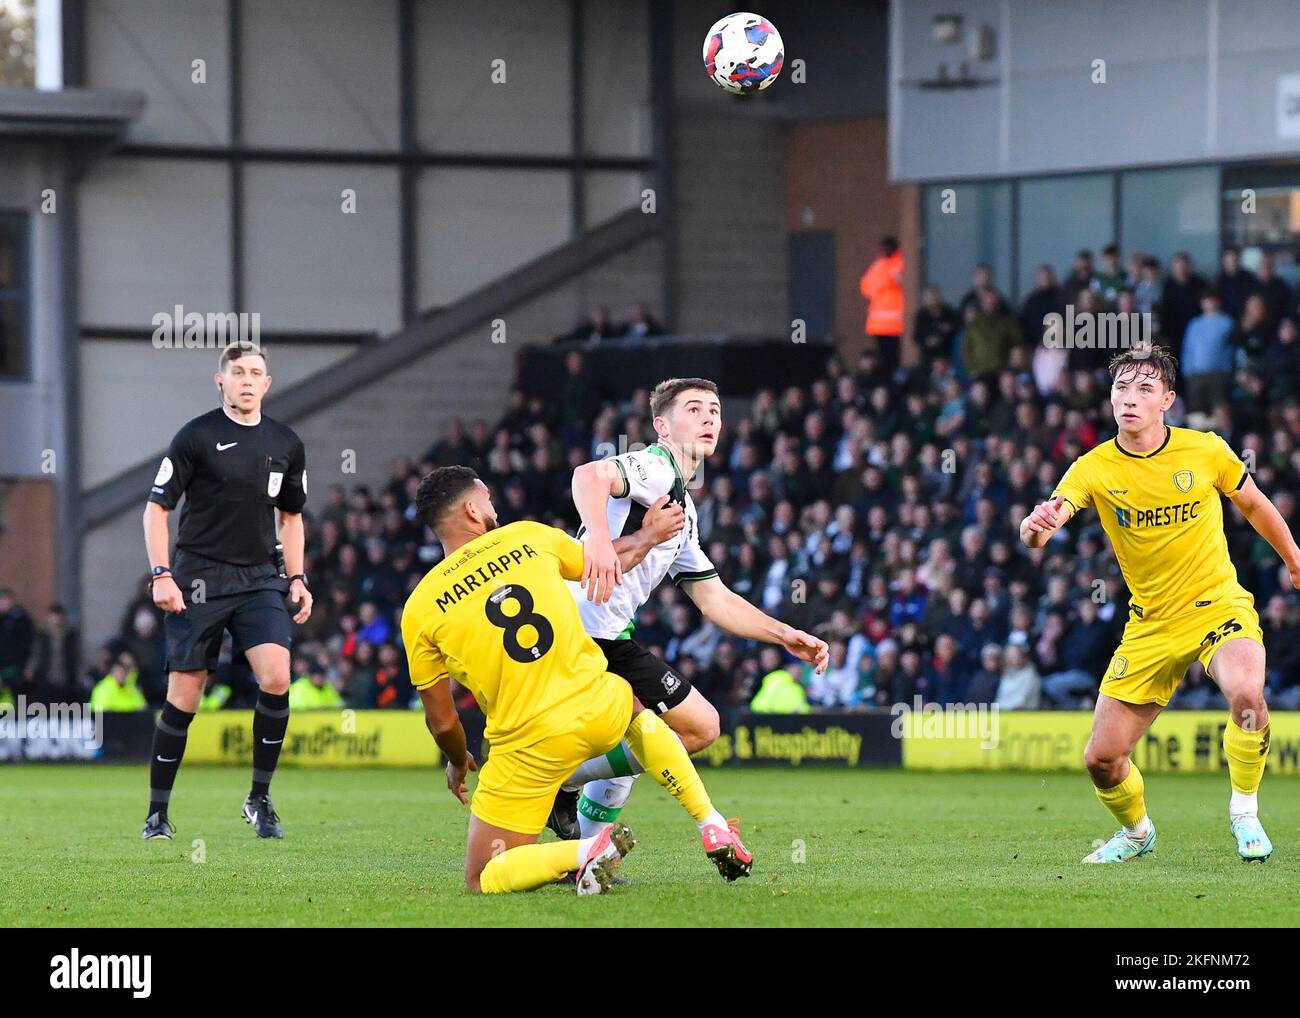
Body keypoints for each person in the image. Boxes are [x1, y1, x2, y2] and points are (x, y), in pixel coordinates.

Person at [401, 466, 752, 894]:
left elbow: (441, 722)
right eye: (488, 499)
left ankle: (584, 851)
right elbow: (605, 563)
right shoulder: (527, 537)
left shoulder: (420, 608)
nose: (494, 507)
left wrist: (458, 761)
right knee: (635, 710)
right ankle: (710, 821)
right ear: (473, 509)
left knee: (483, 875)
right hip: (598, 705)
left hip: (526, 745)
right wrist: (649, 535)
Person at [1020, 343, 1300, 864]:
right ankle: (1137, 833)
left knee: (1246, 694)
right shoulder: (1093, 467)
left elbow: (1256, 506)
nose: (1130, 398)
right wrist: (1033, 530)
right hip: (1150, 624)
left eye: (1144, 388)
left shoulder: (1206, 450)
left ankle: (1244, 812)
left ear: (1167, 399)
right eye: (1122, 387)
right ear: (1110, 398)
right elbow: (1044, 526)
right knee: (1102, 759)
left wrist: (1293, 557)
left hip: (1217, 605)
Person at [550, 377, 829, 842]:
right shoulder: (656, 466)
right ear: (662, 425)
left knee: (632, 741)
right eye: (695, 409)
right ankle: (559, 782)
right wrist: (597, 540)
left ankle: (582, 855)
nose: (709, 419)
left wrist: (785, 635)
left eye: (715, 412)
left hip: (604, 632)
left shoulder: (685, 509)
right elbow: (588, 475)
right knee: (699, 727)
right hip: (585, 630)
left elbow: (714, 598)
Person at [141, 341, 312, 841]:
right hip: (198, 577)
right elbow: (156, 510)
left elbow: (292, 518)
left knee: (277, 677)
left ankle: (259, 799)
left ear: (267, 384)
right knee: (185, 698)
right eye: (237, 372)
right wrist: (161, 573)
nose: (247, 380)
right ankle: (157, 812)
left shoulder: (286, 443)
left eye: (256, 373)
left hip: (259, 577)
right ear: (221, 381)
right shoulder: (196, 436)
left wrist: (297, 578)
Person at [858, 236, 905, 377]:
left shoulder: (896, 263)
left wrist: (881, 285)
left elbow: (903, 283)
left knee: (892, 358)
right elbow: (865, 287)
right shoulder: (881, 265)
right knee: (886, 358)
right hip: (882, 323)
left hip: (891, 323)